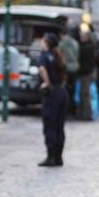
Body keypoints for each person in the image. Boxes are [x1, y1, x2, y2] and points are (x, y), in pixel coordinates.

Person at [37, 32, 67, 167]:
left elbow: (42, 69)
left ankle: (51, 156)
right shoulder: (58, 55)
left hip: (52, 93)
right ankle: (58, 157)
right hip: (61, 92)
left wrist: (46, 82)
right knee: (59, 126)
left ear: (47, 43)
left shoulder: (44, 55)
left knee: (50, 125)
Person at [77, 23, 99, 121]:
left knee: (85, 94)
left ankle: (86, 114)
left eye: (82, 36)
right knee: (85, 94)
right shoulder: (91, 46)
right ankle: (85, 113)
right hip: (88, 72)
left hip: (85, 73)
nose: (81, 38)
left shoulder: (86, 48)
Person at [58, 28, 80, 115]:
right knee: (73, 89)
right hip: (75, 67)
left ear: (61, 34)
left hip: (66, 68)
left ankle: (65, 108)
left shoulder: (61, 44)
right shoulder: (75, 43)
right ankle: (73, 108)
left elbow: (60, 56)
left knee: (65, 89)